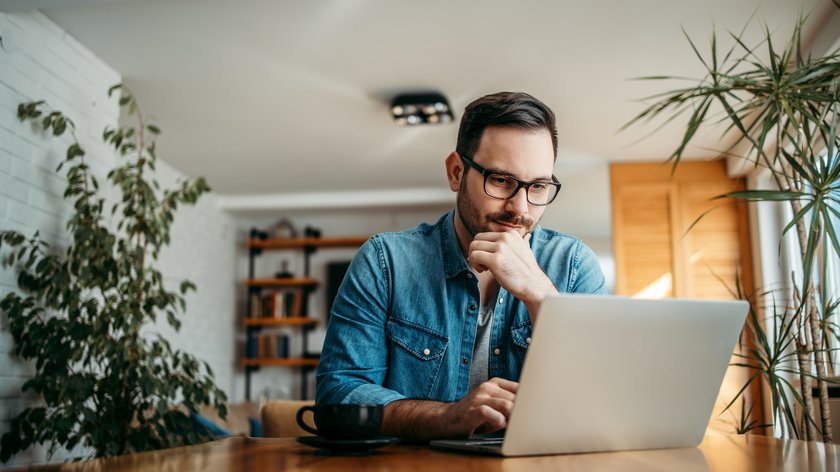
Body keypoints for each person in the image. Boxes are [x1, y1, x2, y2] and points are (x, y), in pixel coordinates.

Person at [316, 91, 606, 441]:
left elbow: (602, 403)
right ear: (456, 172)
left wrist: (541, 296)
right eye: (501, 180)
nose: (521, 208)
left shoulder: (574, 266)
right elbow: (339, 396)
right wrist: (447, 417)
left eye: (538, 186)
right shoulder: (385, 262)